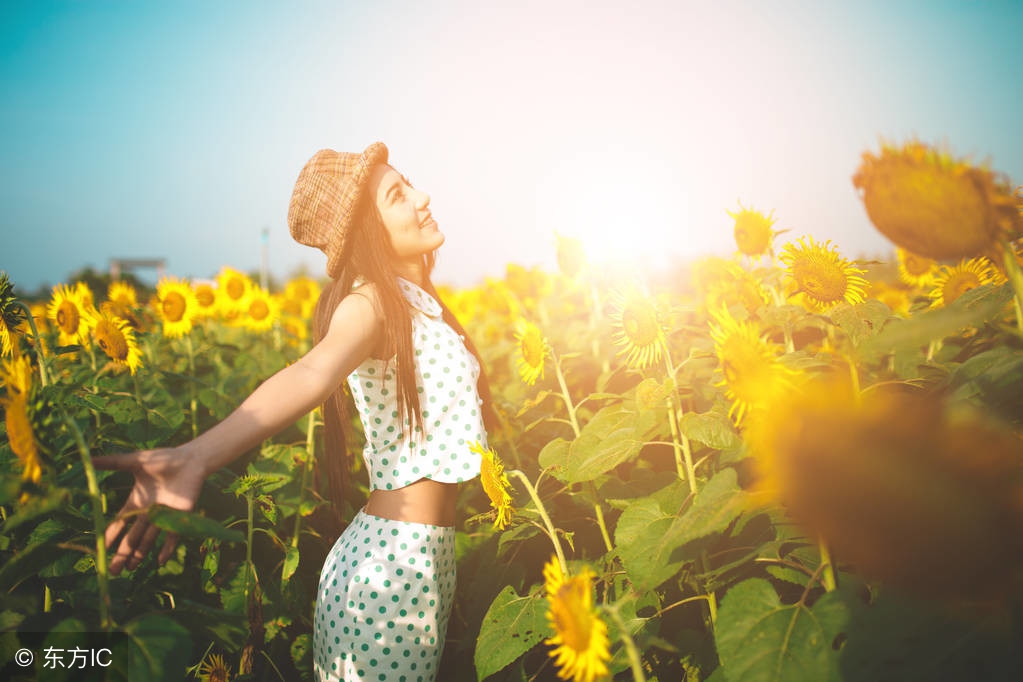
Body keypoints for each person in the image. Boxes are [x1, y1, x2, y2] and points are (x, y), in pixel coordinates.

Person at [93, 142, 498, 682]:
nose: (423, 198)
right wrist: (196, 457)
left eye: (409, 184)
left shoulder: (415, 304)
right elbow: (310, 372)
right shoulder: (371, 304)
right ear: (366, 232)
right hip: (389, 571)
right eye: (399, 196)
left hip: (423, 561)